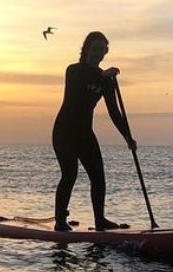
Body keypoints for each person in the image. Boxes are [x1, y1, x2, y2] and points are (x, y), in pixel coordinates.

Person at [52, 31, 136, 232]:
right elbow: (84, 77)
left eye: (102, 50)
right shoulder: (73, 70)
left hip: (84, 133)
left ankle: (100, 220)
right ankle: (60, 221)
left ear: (106, 52)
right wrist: (102, 74)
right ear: (86, 50)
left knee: (98, 176)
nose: (98, 53)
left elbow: (114, 112)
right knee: (69, 174)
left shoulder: (106, 81)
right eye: (94, 49)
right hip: (64, 131)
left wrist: (128, 137)